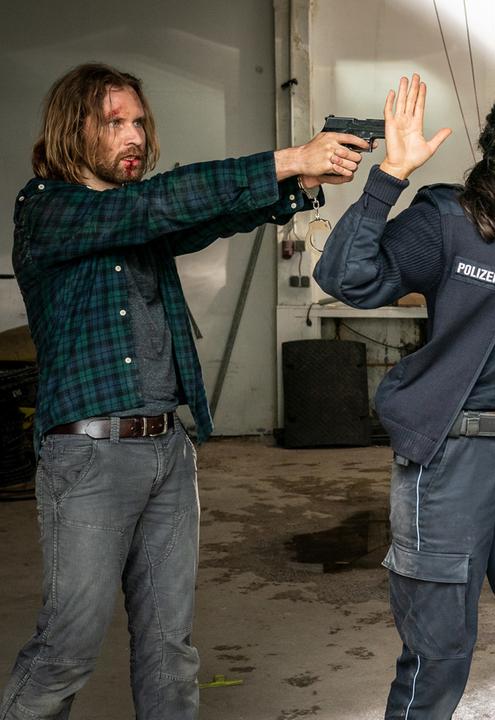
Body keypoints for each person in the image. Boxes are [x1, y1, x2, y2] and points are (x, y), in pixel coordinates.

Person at [0, 62, 370, 720]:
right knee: (66, 650)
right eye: (114, 122)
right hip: (89, 458)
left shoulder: (138, 220)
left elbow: (204, 215)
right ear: (71, 128)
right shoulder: (46, 209)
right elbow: (157, 204)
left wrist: (303, 183)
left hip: (167, 451)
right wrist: (288, 158)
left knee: (170, 650)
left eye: (139, 122)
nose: (134, 135)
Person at [314, 73, 495, 719]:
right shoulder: (449, 219)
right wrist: (390, 175)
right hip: (453, 461)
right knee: (440, 653)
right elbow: (345, 277)